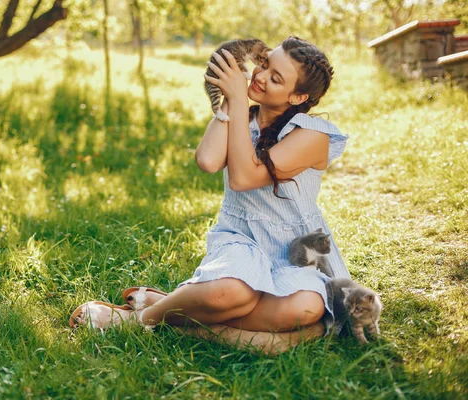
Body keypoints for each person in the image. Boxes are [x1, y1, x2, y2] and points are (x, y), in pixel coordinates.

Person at [70, 36, 351, 354]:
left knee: (304, 310)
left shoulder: (311, 135)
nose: (259, 76)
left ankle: (172, 312)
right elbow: (206, 161)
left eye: (275, 78)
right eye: (265, 64)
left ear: (298, 96)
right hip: (241, 239)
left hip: (296, 254)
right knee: (231, 293)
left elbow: (244, 178)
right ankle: (140, 321)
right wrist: (231, 103)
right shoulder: (241, 117)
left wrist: (239, 100)